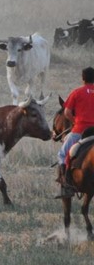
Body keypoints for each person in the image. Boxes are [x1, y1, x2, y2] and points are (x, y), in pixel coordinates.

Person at [56, 66, 94, 198]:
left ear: (83, 78)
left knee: (62, 154)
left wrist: (75, 121)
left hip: (80, 131)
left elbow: (66, 112)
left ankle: (65, 185)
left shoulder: (77, 92)